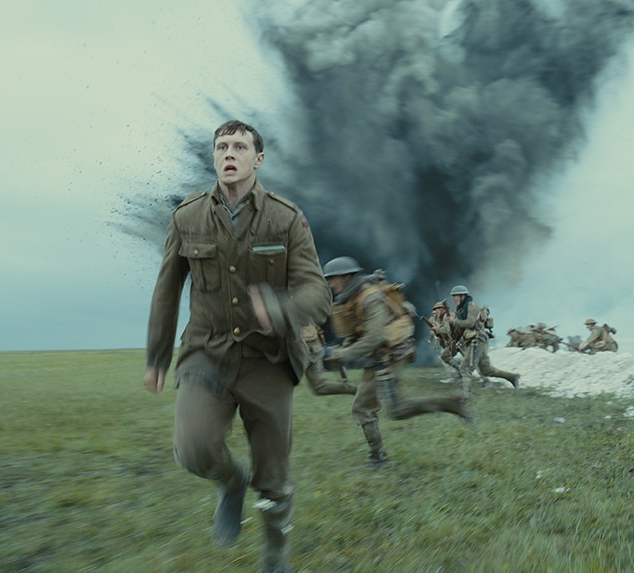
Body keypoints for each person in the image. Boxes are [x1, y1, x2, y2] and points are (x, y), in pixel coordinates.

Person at [142, 120, 332, 573]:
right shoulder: (186, 216)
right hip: (205, 353)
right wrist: (157, 358)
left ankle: (275, 554)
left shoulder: (286, 218)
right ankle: (230, 482)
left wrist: (281, 308)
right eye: (222, 146)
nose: (229, 153)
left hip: (268, 359)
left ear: (257, 159)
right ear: (214, 157)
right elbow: (166, 292)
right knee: (193, 448)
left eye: (240, 146)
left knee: (275, 478)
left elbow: (318, 294)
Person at [321, 257, 472, 469]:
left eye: (332, 279)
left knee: (395, 409)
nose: (329, 284)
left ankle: (449, 404)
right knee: (365, 408)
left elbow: (374, 337)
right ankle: (378, 458)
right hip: (380, 356)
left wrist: (344, 354)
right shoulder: (355, 296)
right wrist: (344, 347)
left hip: (389, 356)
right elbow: (360, 331)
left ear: (346, 277)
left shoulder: (369, 298)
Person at [448, 285, 520, 392]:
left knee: (465, 368)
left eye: (455, 296)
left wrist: (454, 322)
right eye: (453, 296)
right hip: (475, 341)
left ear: (463, 296)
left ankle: (466, 395)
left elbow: (471, 323)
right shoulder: (461, 309)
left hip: (477, 340)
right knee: (486, 370)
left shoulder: (471, 306)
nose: (453, 299)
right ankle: (512, 377)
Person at [301, 324, 357, 396]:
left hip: (299, 346)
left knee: (284, 385)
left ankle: (358, 389)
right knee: (319, 387)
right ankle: (355, 389)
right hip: (315, 343)